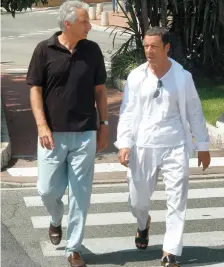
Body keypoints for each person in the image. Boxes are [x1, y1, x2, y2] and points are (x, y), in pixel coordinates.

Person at [115, 26, 210, 267]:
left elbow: (195, 112)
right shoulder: (137, 77)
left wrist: (203, 145)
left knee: (177, 199)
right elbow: (126, 113)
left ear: (166, 48)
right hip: (143, 145)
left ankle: (170, 250)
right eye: (146, 46)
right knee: (138, 201)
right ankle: (142, 223)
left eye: (154, 46)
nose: (148, 50)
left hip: (175, 144)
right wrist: (125, 143)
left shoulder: (182, 77)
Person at [26, 1, 108, 266]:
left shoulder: (92, 50)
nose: (90, 25)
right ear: (68, 23)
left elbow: (100, 91)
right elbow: (35, 89)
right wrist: (41, 125)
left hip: (84, 133)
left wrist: (103, 124)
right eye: (85, 22)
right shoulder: (44, 50)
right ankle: (55, 218)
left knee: (80, 194)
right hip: (51, 135)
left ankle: (73, 248)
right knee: (47, 190)